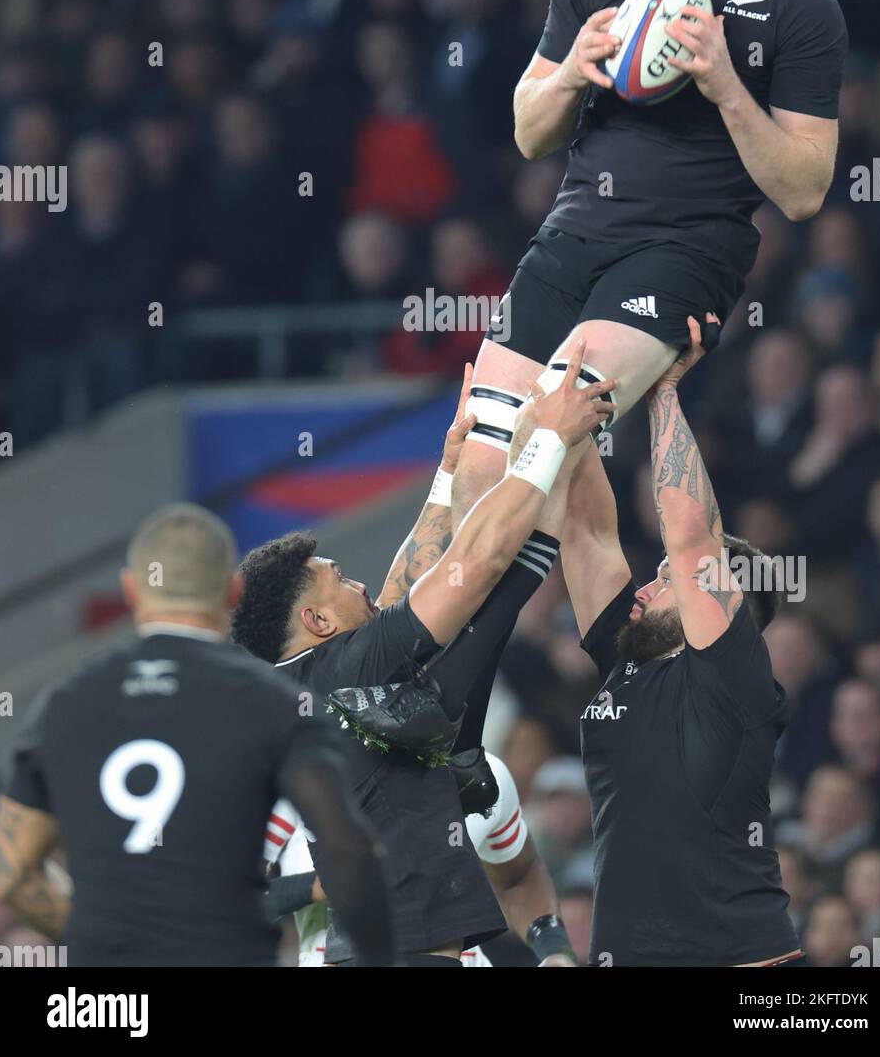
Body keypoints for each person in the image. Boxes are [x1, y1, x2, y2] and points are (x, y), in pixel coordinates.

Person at [450, 0, 848, 610]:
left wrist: (725, 85)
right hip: (575, 231)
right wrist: (571, 71)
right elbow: (529, 133)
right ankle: (451, 717)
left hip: (685, 251)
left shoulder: (798, 3)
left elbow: (805, 192)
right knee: (479, 460)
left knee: (545, 433)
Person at [230, 342, 612, 967]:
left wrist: (448, 473)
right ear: (317, 620)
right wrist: (546, 442)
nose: (360, 585)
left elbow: (402, 586)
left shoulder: (324, 678)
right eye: (339, 578)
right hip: (405, 957)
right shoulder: (353, 670)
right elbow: (475, 562)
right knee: (495, 583)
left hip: (387, 954)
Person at [0, 504, 393, 968]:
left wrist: (105, 943)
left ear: (131, 589)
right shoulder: (275, 702)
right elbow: (347, 850)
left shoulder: (64, 704)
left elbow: (12, 873)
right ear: (231, 590)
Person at [560, 315, 803, 965]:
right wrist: (572, 410)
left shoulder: (731, 676)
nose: (644, 585)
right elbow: (584, 532)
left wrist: (662, 390)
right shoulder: (625, 652)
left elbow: (692, 536)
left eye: (664, 580)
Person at [265, 753, 575, 968]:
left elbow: (518, 876)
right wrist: (321, 885)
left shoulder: (481, 774)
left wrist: (555, 950)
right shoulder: (297, 786)